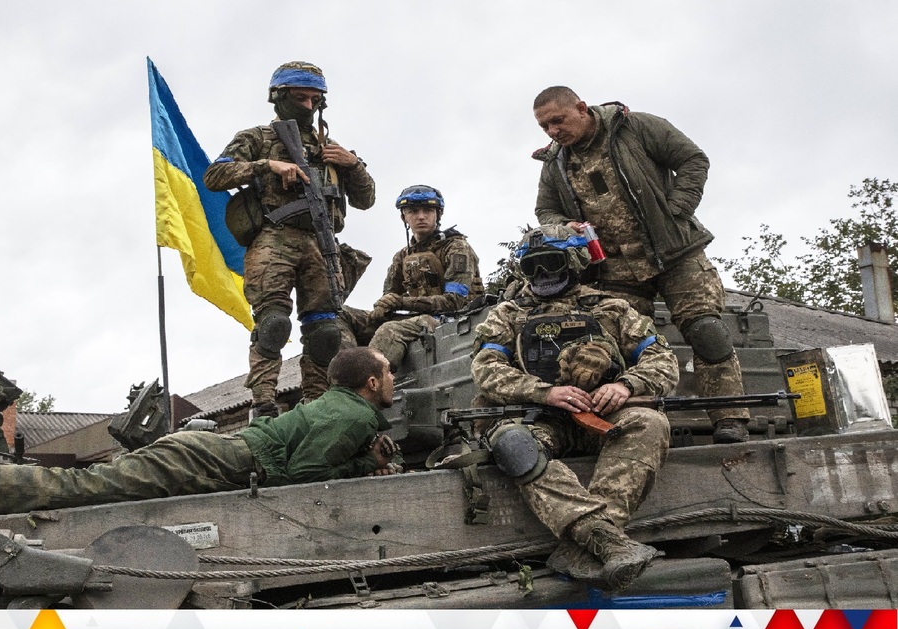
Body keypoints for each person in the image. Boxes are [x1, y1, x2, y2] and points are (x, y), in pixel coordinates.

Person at [0, 348, 401, 515]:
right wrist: (365, 467)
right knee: (77, 488)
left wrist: (364, 462)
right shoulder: (354, 416)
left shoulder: (336, 406)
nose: (395, 380)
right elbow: (304, 480)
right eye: (389, 372)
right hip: (215, 460)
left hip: (210, 453)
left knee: (81, 485)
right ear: (372, 382)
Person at [531, 86, 750, 444]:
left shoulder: (635, 127)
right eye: (545, 127)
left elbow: (693, 159)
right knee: (620, 346)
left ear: (582, 108)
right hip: (613, 269)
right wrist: (564, 226)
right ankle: (643, 426)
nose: (553, 131)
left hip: (675, 254)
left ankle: (730, 417)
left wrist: (677, 209)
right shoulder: (555, 162)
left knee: (707, 331)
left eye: (558, 120)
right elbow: (546, 209)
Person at [470, 226, 679, 591]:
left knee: (648, 422)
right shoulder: (508, 314)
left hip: (602, 415)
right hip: (537, 417)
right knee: (514, 444)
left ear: (574, 262)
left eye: (550, 263)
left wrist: (625, 385)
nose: (541, 274)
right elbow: (486, 369)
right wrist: (544, 392)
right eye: (531, 267)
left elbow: (662, 360)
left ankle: (584, 548)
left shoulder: (611, 308)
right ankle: (603, 539)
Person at [203, 61, 376, 419]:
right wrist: (267, 165)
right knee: (273, 325)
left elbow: (366, 199)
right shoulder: (257, 138)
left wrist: (352, 164)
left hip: (321, 244)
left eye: (315, 100)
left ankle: (316, 404)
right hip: (274, 239)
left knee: (325, 332)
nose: (309, 106)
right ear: (279, 98)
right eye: (300, 98)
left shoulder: (331, 149)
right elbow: (215, 175)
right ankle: (263, 404)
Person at [366, 185, 484, 371]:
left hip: (456, 318)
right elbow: (389, 297)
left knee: (390, 331)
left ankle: (368, 384)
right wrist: (382, 307)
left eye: (428, 210)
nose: (421, 216)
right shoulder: (402, 256)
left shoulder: (456, 248)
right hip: (418, 318)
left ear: (438, 214)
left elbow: (455, 302)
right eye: (413, 211)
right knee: (345, 317)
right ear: (404, 217)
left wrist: (401, 303)